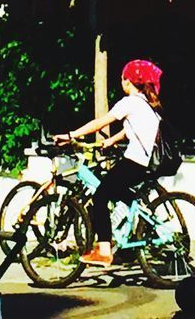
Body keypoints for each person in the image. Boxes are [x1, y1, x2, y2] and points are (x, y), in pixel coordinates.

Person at [53, 59, 162, 265]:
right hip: (145, 163)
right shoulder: (145, 104)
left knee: (101, 195)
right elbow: (132, 130)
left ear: (127, 81)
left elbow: (100, 122)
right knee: (117, 191)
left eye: (122, 79)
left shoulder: (129, 102)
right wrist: (111, 140)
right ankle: (131, 234)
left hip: (135, 162)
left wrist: (72, 135)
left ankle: (104, 250)